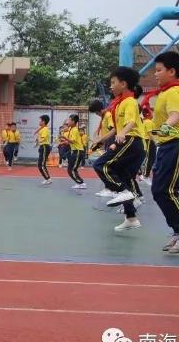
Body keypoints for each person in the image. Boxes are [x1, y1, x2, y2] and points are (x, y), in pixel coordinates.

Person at [141, 51, 179, 252]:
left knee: (166, 190)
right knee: (159, 190)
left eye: (158, 70)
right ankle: (178, 231)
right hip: (166, 145)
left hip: (178, 143)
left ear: (172, 71)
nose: (155, 74)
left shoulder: (175, 91)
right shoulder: (164, 93)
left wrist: (166, 125)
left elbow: (175, 115)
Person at [91, 67, 146, 231]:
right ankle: (131, 217)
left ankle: (122, 191)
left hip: (132, 141)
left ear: (123, 84)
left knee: (101, 165)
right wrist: (101, 140)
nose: (110, 86)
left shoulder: (130, 102)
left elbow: (131, 122)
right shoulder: (118, 104)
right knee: (123, 175)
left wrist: (122, 133)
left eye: (113, 83)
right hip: (128, 142)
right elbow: (115, 129)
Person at [60, 114, 85, 188]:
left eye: (69, 120)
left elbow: (73, 141)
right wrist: (64, 142)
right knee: (70, 169)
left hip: (78, 151)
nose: (68, 121)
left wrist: (64, 137)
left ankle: (81, 183)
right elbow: (71, 141)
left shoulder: (74, 130)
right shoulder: (71, 129)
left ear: (73, 121)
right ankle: (80, 183)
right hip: (75, 151)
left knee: (72, 169)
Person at [139, 108, 156, 185]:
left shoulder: (144, 121)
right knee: (150, 158)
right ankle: (145, 175)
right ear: (148, 114)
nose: (153, 114)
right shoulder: (149, 122)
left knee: (148, 158)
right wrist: (155, 142)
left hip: (145, 140)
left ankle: (143, 174)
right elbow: (150, 133)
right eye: (151, 112)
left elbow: (154, 132)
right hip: (148, 140)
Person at [35, 115, 52, 185]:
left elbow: (43, 138)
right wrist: (37, 142)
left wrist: (38, 141)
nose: (39, 121)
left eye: (40, 120)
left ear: (43, 121)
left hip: (45, 147)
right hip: (43, 147)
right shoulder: (42, 129)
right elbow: (40, 139)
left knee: (41, 165)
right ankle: (47, 178)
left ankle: (48, 179)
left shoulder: (45, 129)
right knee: (40, 164)